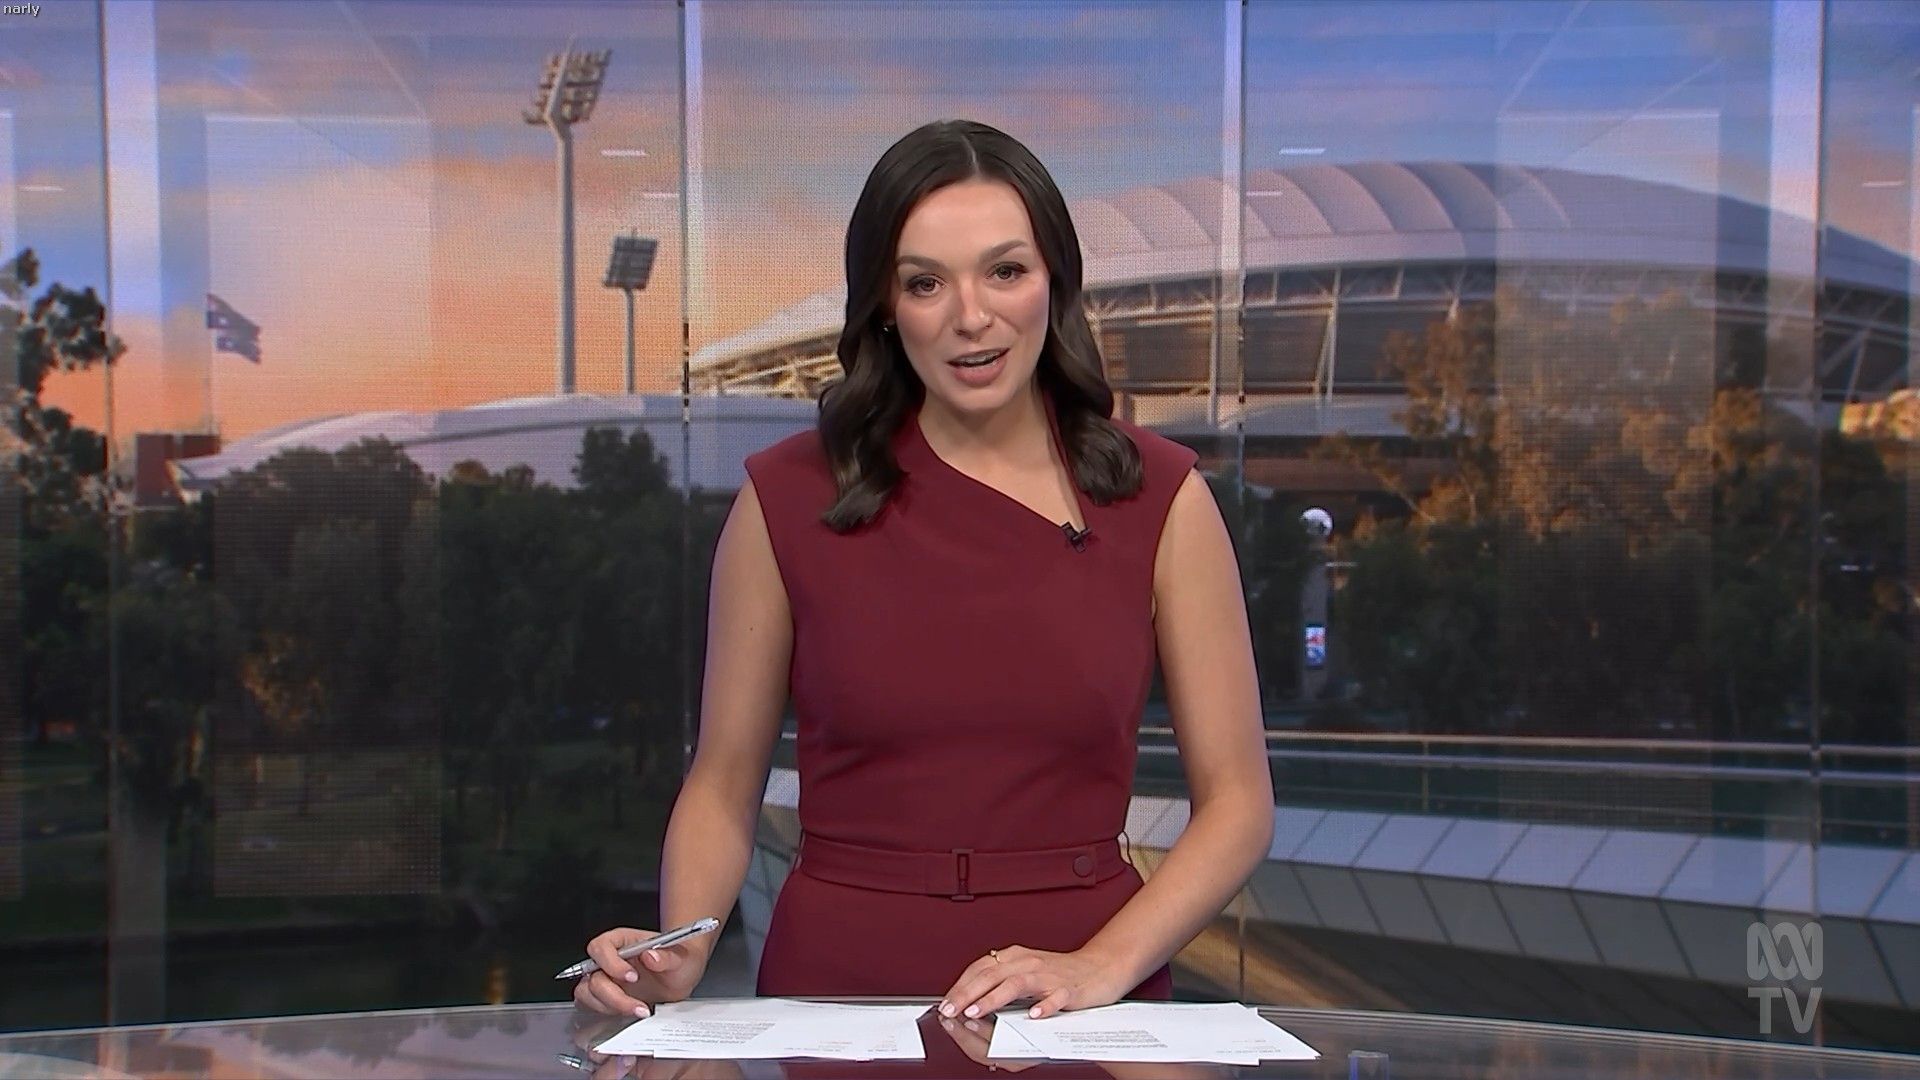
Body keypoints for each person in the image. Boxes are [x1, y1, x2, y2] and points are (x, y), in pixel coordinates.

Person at [573, 119, 1273, 1027]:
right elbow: (721, 783)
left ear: (1055, 280)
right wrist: (683, 948)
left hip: (1078, 1003)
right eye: (925, 283)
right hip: (839, 990)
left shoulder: (1162, 500)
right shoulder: (785, 500)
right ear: (884, 305)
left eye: (1005, 271)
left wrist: (1101, 966)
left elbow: (1239, 804)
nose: (970, 316)